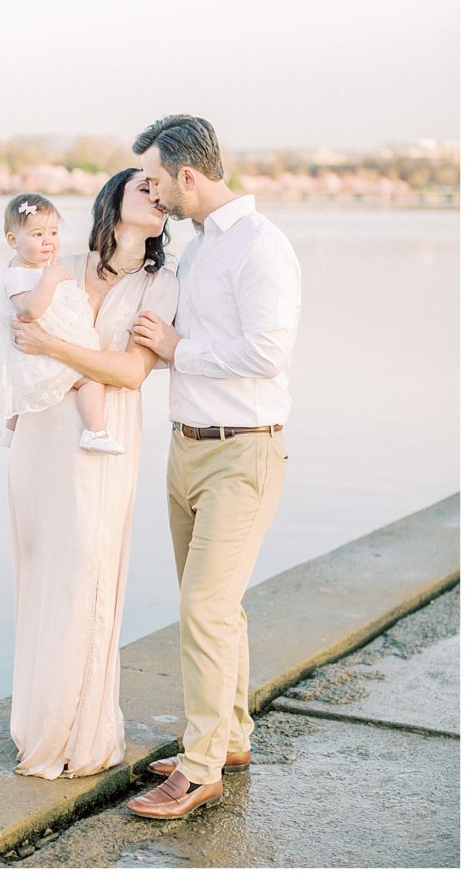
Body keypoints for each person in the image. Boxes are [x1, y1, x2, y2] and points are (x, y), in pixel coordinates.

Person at [128, 115, 301, 819]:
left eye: (159, 179)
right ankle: (227, 738)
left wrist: (177, 349)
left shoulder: (261, 246)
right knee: (215, 610)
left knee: (202, 608)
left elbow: (268, 353)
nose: (154, 190)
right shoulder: (196, 250)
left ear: (189, 175)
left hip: (241, 450)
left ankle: (199, 771)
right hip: (188, 448)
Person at [6, 168, 179, 779]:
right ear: (112, 200)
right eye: (143, 190)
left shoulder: (161, 284)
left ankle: (83, 733)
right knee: (42, 572)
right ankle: (36, 725)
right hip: (42, 434)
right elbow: (13, 328)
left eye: (163, 194)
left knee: (89, 570)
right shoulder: (62, 262)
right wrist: (14, 394)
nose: (157, 199)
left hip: (104, 438)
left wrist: (53, 349)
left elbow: (131, 372)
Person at [0, 193, 124, 454]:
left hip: (40, 343)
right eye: (37, 235)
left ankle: (11, 431)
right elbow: (31, 310)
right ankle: (95, 431)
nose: (48, 241)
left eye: (54, 233)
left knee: (19, 383)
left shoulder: (36, 268)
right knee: (91, 379)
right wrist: (50, 279)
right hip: (35, 348)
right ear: (13, 240)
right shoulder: (18, 275)